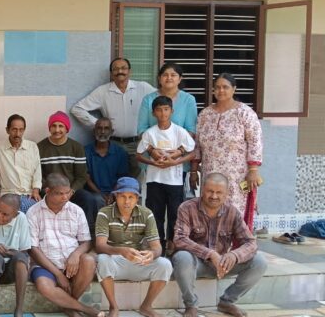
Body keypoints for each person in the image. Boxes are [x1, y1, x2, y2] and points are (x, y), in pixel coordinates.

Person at [172, 173, 267, 317]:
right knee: (181, 257)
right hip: (196, 264)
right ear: (202, 190)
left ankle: (227, 302)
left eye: (219, 192)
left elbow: (250, 242)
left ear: (226, 193)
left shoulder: (232, 212)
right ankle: (191, 304)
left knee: (259, 261)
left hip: (223, 265)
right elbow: (179, 239)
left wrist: (234, 255)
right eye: (210, 191)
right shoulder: (187, 208)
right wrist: (210, 254)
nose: (214, 196)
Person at [95, 177, 173, 317]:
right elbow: (100, 246)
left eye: (131, 197)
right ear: (116, 196)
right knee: (102, 259)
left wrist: (152, 254)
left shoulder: (146, 214)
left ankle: (146, 306)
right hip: (115, 261)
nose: (127, 201)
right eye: (122, 196)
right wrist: (121, 251)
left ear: (137, 198)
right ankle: (114, 307)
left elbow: (157, 247)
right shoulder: (104, 213)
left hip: (137, 260)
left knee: (164, 264)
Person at [27, 174, 102, 317]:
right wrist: (57, 274)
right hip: (46, 265)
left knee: (88, 260)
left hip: (72, 264)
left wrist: (75, 255)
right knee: (44, 286)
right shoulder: (33, 212)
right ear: (48, 191)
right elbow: (33, 248)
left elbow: (86, 241)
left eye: (68, 192)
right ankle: (85, 309)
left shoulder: (76, 210)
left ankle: (68, 306)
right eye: (60, 193)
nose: (65, 197)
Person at [192, 73, 263, 229]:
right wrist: (194, 170)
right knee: (210, 206)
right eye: (217, 87)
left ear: (234, 89)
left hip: (236, 175)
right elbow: (197, 144)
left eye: (225, 87)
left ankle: (235, 243)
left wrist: (253, 170)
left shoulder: (244, 113)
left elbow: (255, 142)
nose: (221, 90)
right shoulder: (205, 114)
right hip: (210, 172)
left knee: (234, 210)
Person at [71, 57, 156, 176]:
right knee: (113, 175)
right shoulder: (102, 91)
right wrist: (98, 125)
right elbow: (77, 109)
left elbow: (163, 100)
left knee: (137, 176)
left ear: (130, 71)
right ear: (111, 73)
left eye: (123, 68)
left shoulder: (143, 88)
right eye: (116, 69)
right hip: (113, 143)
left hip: (138, 143)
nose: (120, 71)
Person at [135, 96, 196, 252]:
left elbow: (192, 152)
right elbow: (138, 155)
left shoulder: (179, 131)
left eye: (166, 109)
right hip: (154, 180)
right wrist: (152, 163)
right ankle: (158, 247)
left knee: (175, 213)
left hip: (175, 180)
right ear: (153, 113)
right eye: (159, 110)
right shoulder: (150, 133)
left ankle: (173, 245)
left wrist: (175, 161)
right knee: (156, 214)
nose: (163, 113)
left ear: (172, 111)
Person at [37, 111, 101, 232]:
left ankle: (89, 235)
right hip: (49, 191)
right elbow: (38, 175)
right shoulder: (40, 148)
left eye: (61, 126)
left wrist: (71, 191)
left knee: (88, 199)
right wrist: (49, 190)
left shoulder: (76, 147)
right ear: (49, 128)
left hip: (71, 190)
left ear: (67, 128)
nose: (57, 130)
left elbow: (81, 176)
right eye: (54, 126)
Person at [0, 114, 42, 213]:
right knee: (10, 213)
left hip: (29, 194)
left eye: (21, 130)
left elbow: (37, 171)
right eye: (14, 129)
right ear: (7, 130)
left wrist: (36, 190)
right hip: (8, 194)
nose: (18, 134)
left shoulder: (32, 146)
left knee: (37, 212)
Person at [137, 62, 198, 136]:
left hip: (180, 142)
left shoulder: (188, 100)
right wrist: (153, 143)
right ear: (159, 79)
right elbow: (142, 129)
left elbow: (191, 130)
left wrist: (178, 144)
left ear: (180, 79)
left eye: (173, 75)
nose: (169, 78)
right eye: (165, 75)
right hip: (152, 142)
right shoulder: (148, 99)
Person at [84, 117, 129, 208]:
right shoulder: (85, 151)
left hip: (116, 191)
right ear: (94, 131)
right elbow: (86, 178)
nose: (103, 131)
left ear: (111, 132)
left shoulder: (120, 152)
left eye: (106, 128)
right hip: (94, 192)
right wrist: (101, 194)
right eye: (99, 128)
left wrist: (112, 194)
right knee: (97, 199)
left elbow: (122, 178)